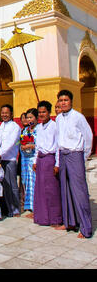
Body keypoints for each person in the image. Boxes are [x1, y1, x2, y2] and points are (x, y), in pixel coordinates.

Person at [55, 89, 93, 239]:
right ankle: (69, 221)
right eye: (61, 100)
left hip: (75, 154)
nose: (63, 103)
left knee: (79, 191)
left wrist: (82, 157)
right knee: (65, 190)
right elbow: (58, 139)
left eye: (66, 100)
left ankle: (86, 227)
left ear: (71, 101)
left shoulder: (78, 117)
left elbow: (88, 137)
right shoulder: (58, 119)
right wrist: (58, 161)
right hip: (63, 154)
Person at [33, 101, 62, 227]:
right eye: (39, 112)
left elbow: (58, 145)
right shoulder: (38, 127)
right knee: (40, 190)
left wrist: (57, 163)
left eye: (44, 112)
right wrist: (35, 160)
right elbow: (37, 146)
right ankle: (42, 217)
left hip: (50, 159)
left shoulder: (55, 126)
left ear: (49, 112)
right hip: (40, 159)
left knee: (52, 190)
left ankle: (55, 218)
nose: (41, 114)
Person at [0, 104, 21, 217]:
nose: (4, 115)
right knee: (0, 184)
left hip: (9, 158)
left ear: (11, 114)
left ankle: (15, 209)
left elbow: (10, 143)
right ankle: (3, 208)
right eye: (2, 113)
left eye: (6, 113)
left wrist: (0, 153)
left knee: (11, 185)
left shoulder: (15, 127)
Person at [20, 108, 38, 217]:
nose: (29, 119)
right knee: (26, 182)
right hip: (25, 159)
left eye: (31, 117)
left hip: (34, 159)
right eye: (27, 117)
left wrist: (31, 145)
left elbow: (42, 145)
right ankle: (29, 206)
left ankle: (36, 206)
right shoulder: (25, 130)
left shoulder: (39, 129)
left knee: (35, 183)